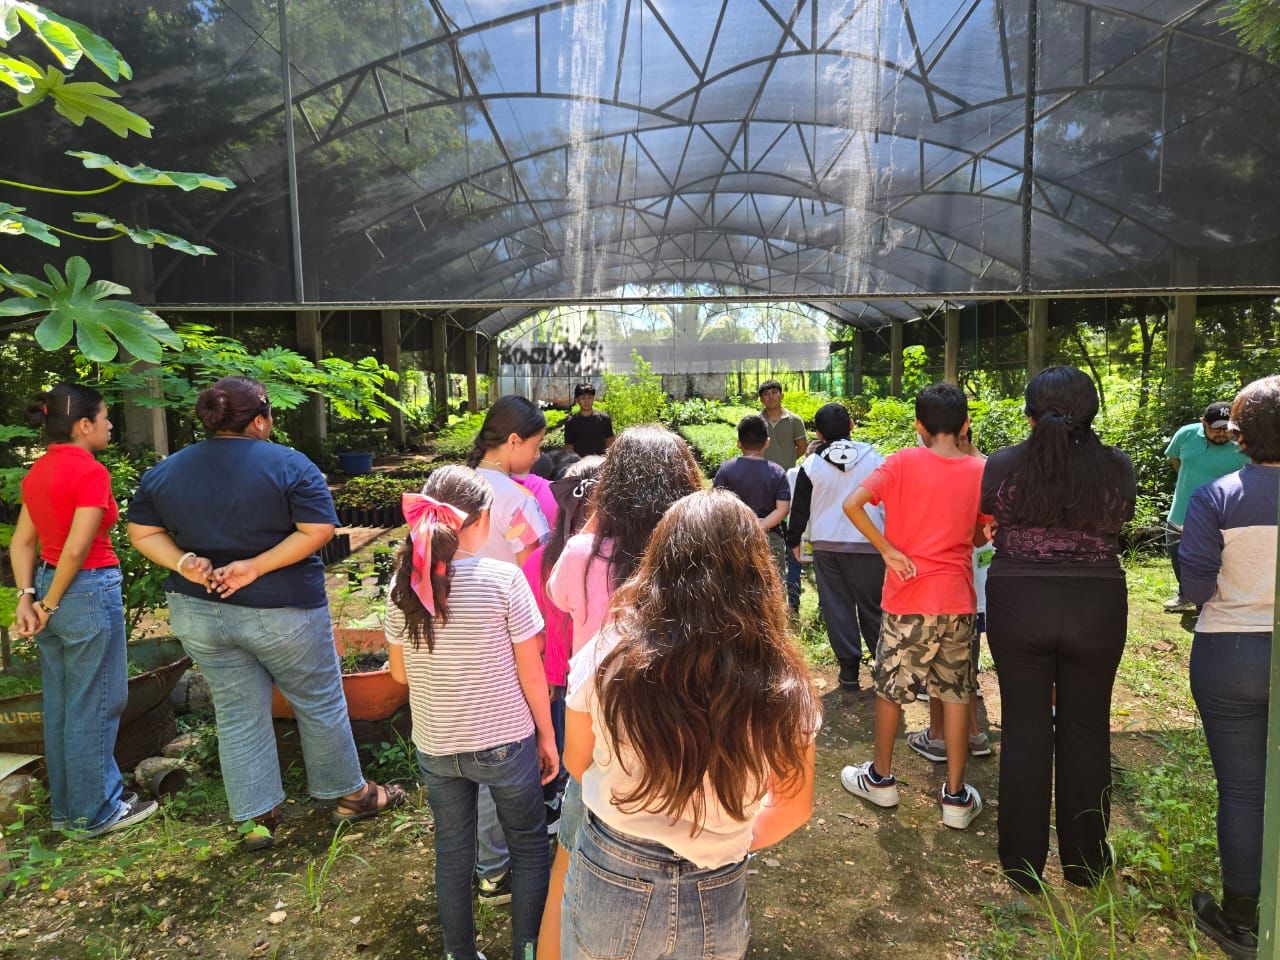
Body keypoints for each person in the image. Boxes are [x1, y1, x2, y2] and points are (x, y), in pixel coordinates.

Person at [127, 376, 404, 848]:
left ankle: (255, 819)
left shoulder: (167, 470)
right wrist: (253, 568)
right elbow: (317, 529)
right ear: (259, 419)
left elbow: (141, 531)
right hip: (284, 612)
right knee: (317, 700)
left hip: (199, 609)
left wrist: (184, 563)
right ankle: (350, 796)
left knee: (236, 712)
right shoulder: (289, 464)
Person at [560, 490, 819, 960]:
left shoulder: (610, 653)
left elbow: (575, 761)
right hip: (716, 887)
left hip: (612, 870)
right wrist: (731, 838)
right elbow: (794, 807)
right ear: (757, 572)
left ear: (660, 559)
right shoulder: (782, 682)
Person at [538, 427, 704, 960]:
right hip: (679, 719)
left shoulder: (586, 552)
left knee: (568, 869)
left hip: (598, 727)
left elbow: (559, 597)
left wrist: (595, 520)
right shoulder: (693, 554)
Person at [386, 466, 558, 960]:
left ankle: (459, 954)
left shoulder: (402, 586)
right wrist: (546, 738)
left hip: (437, 745)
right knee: (527, 848)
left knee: (453, 854)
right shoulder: (503, 580)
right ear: (480, 523)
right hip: (506, 742)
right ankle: (527, 951)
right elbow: (532, 674)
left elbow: (399, 676)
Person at [979, 366, 1135, 891]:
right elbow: (1120, 522)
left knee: (1023, 728)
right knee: (1087, 728)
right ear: (1091, 410)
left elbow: (989, 522)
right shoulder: (1117, 467)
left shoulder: (1002, 465)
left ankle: (1022, 866)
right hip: (1096, 603)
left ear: (1029, 411)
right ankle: (1086, 862)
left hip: (1019, 601)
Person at [8, 384, 159, 836]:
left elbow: (22, 542)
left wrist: (28, 599)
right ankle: (96, 813)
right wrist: (50, 605)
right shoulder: (91, 471)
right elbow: (77, 547)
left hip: (47, 587)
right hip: (85, 590)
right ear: (84, 425)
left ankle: (71, 809)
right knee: (97, 701)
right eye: (106, 417)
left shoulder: (37, 472)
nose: (111, 424)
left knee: (63, 704)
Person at [839, 383, 988, 830]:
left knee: (891, 690)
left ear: (919, 426)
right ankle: (956, 798)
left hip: (906, 598)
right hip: (958, 600)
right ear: (964, 425)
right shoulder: (982, 469)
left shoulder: (902, 462)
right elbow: (980, 537)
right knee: (956, 693)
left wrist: (886, 549)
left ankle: (881, 778)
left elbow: (852, 503)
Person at [1181, 375, 1280, 958]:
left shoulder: (1217, 496)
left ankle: (1241, 918)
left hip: (1232, 653)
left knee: (1242, 789)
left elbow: (1196, 583)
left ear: (1237, 436)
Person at [464, 395, 552, 904]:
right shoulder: (513, 499)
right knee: (506, 747)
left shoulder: (445, 485)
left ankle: (479, 860)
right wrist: (537, 640)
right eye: (536, 446)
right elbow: (531, 573)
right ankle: (497, 866)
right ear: (513, 441)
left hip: (446, 639)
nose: (538, 458)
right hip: (503, 639)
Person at [522, 455, 604, 836]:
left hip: (552, 677)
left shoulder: (540, 558)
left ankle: (555, 806)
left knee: (558, 747)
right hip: (597, 680)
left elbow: (531, 628)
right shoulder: (615, 557)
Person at [907, 424, 995, 760]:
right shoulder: (988, 468)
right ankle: (965, 734)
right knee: (963, 660)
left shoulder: (947, 469)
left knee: (948, 664)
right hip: (976, 584)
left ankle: (949, 736)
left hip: (948, 584)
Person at [786, 402, 885, 691]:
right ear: (852, 425)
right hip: (869, 544)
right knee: (873, 606)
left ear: (818, 432)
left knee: (837, 606)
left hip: (827, 546)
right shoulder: (874, 457)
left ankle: (849, 672)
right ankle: (883, 667)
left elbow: (800, 508)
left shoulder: (811, 465)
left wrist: (794, 541)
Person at [1163, 401, 1249, 613]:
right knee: (1177, 556)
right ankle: (1185, 595)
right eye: (1215, 429)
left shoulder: (1243, 446)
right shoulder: (1185, 434)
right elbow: (1175, 460)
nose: (1222, 433)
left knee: (1213, 562)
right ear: (1203, 423)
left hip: (1221, 518)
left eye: (1226, 429)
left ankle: (1211, 604)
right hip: (1181, 511)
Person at [713, 414, 792, 584]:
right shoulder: (777, 472)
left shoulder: (727, 469)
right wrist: (760, 525)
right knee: (771, 587)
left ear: (739, 443)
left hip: (733, 536)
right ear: (767, 442)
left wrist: (744, 524)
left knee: (734, 586)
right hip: (769, 536)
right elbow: (783, 509)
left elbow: (717, 504)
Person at [757, 379, 808, 613]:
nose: (771, 396)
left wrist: (787, 463)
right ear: (761, 398)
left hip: (789, 481)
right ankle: (771, 594)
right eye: (766, 393)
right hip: (763, 483)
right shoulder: (757, 421)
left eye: (774, 392)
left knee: (790, 534)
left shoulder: (794, 420)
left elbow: (802, 447)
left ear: (781, 395)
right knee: (768, 536)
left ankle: (793, 597)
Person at [562, 383, 613, 457]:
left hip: (601, 463)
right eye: (583, 398)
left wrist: (607, 458)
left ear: (593, 398)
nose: (587, 401)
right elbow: (569, 448)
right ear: (577, 400)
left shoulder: (604, 418)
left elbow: (610, 441)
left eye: (589, 397)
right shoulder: (571, 422)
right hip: (579, 465)